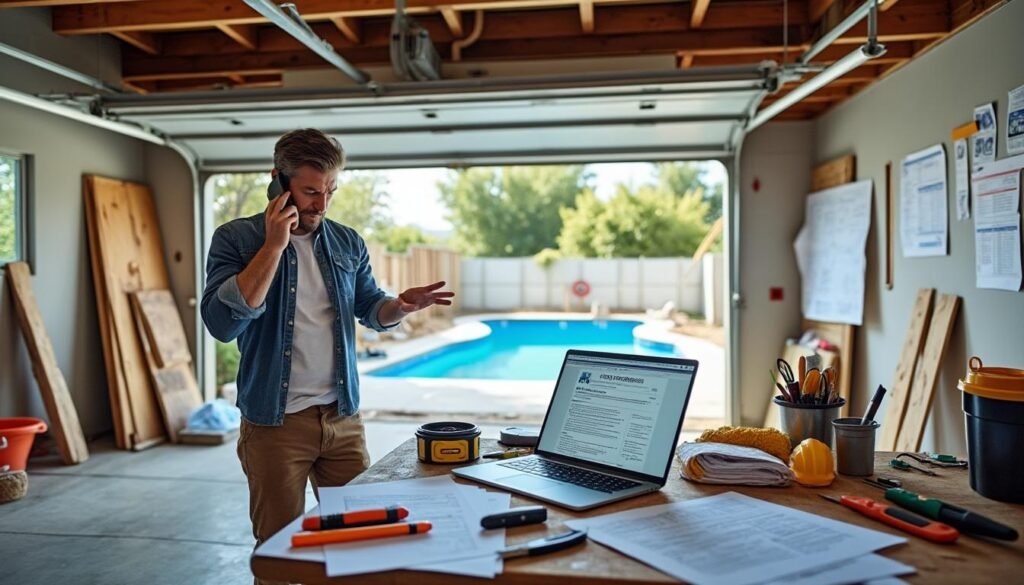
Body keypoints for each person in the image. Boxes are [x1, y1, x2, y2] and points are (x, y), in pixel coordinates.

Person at [201, 129, 452, 582]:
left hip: (342, 421)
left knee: (362, 544)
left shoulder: (347, 242)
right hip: (274, 426)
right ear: (278, 182)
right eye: (311, 191)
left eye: (330, 190)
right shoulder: (236, 239)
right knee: (281, 556)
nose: (322, 204)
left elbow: (370, 307)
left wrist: (400, 305)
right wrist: (274, 245)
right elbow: (222, 324)